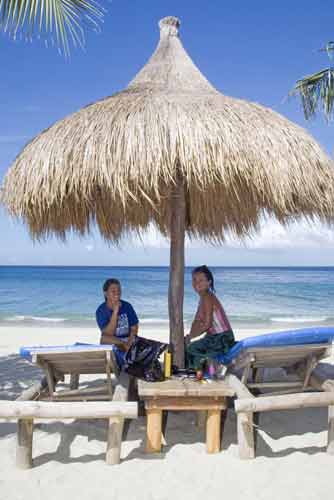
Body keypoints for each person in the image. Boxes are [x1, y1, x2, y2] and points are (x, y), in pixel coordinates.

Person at [185, 265, 235, 370]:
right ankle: (205, 367)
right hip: (215, 337)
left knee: (191, 349)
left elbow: (207, 324)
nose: (197, 283)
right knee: (191, 347)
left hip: (222, 339)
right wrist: (190, 336)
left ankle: (212, 368)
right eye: (194, 280)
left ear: (209, 282)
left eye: (201, 280)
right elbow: (197, 322)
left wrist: (190, 338)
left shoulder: (207, 297)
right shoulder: (204, 298)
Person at [96, 278, 139, 367]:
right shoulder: (101, 311)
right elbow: (108, 334)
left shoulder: (127, 306)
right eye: (113, 291)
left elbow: (134, 328)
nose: (117, 293)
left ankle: (127, 357)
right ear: (105, 293)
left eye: (119, 290)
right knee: (104, 339)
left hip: (128, 339)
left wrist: (130, 343)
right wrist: (115, 311)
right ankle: (125, 356)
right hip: (114, 341)